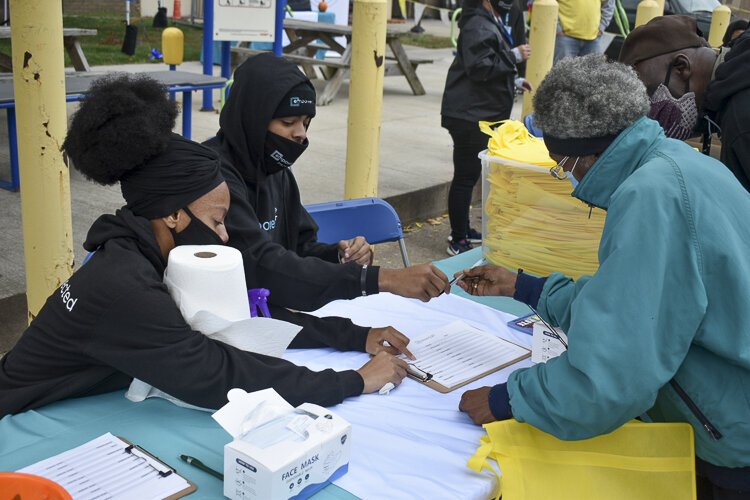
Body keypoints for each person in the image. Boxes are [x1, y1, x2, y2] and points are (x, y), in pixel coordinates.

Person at [0, 75, 409, 418]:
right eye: (216, 221)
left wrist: (354, 336)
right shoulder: (123, 285)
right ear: (174, 215)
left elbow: (242, 314)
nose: (225, 236)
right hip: (17, 421)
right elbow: (215, 374)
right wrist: (353, 381)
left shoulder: (145, 251)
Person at [456, 55, 750, 498]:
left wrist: (509, 399)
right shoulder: (681, 162)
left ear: (588, 154)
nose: (567, 181)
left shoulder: (650, 196)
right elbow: (643, 302)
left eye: (561, 165)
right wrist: (527, 287)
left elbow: (612, 377)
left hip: (730, 437)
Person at [205, 54, 450, 310]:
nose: (300, 133)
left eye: (306, 122)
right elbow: (262, 264)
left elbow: (300, 247)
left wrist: (339, 255)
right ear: (253, 119)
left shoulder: (275, 169)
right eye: (288, 122)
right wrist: (379, 279)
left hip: (277, 310)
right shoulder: (211, 175)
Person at [440, 0, 531, 255]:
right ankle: (457, 239)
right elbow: (479, 67)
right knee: (465, 178)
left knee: (469, 177)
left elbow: (487, 63)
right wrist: (514, 56)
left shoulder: (490, 20)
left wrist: (514, 80)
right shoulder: (477, 23)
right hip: (469, 116)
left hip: (478, 112)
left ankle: (464, 229)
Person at [620, 15, 750, 193]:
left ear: (681, 67)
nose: (651, 111)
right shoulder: (738, 76)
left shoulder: (741, 121)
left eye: (649, 94)